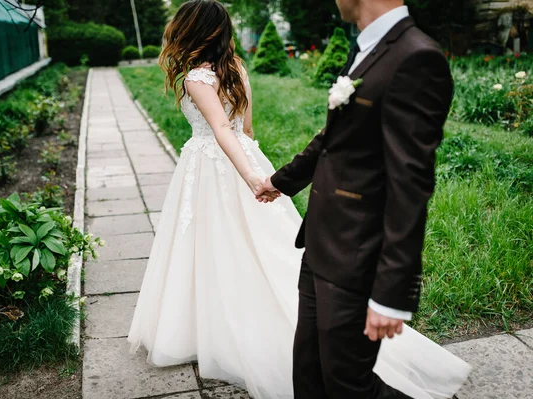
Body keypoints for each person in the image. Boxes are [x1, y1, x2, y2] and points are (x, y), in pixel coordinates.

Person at [128, 1, 471, 398]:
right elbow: (256, 129)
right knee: (306, 360)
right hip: (257, 165)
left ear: (190, 31)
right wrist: (272, 177)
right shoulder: (239, 68)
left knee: (221, 247)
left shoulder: (196, 78)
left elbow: (222, 130)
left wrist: (252, 176)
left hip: (225, 167)